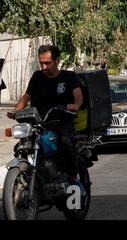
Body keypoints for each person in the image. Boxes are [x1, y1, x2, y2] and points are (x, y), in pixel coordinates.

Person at [9, 45, 85, 190]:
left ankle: (73, 176)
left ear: (57, 61)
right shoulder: (37, 76)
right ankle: (29, 176)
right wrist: (15, 110)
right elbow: (26, 97)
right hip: (39, 122)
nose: (43, 66)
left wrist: (74, 105)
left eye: (47, 63)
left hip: (62, 121)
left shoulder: (68, 77)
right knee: (21, 146)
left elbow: (78, 97)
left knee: (65, 141)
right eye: (41, 63)